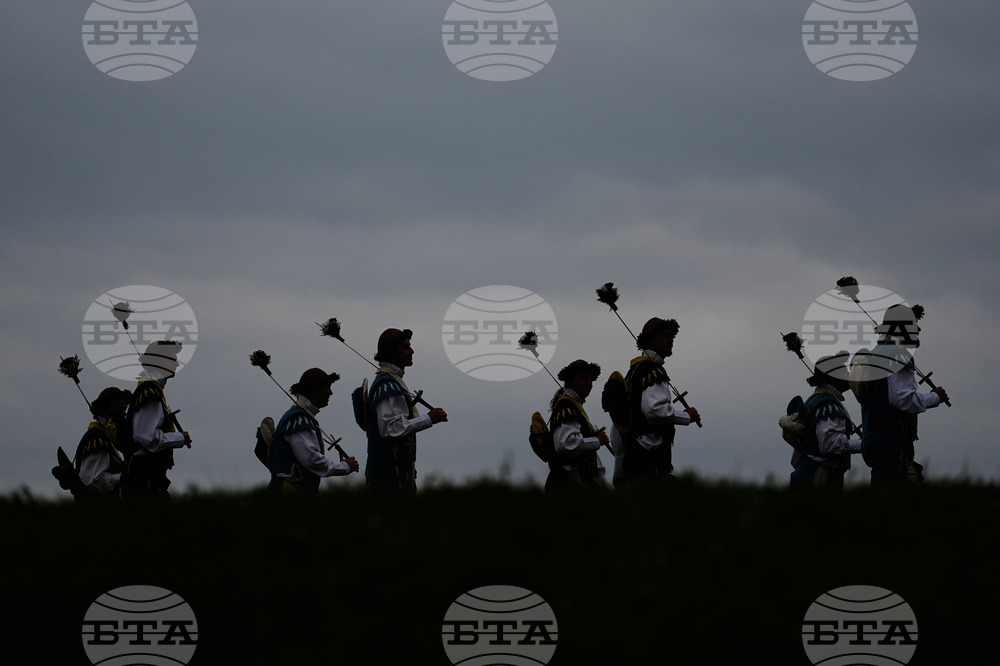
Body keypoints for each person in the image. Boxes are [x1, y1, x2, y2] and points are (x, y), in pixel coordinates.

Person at [851, 304, 949, 486]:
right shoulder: (898, 355)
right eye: (913, 325)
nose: (918, 330)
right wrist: (936, 397)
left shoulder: (875, 355)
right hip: (891, 440)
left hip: (873, 438)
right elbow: (902, 400)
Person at [364, 328, 447, 493]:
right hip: (388, 473)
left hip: (395, 471)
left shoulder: (393, 382)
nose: (412, 351)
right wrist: (428, 419)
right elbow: (390, 429)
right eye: (406, 346)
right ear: (393, 352)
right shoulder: (386, 385)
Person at [618, 317, 700, 484]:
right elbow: (654, 410)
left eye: (672, 336)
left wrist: (618, 469)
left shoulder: (633, 373)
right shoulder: (652, 371)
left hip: (633, 457)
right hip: (649, 460)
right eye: (664, 335)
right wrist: (686, 416)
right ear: (650, 339)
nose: (670, 340)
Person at [269, 368, 360, 493]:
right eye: (327, 387)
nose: (330, 392)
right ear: (314, 389)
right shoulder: (298, 419)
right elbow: (311, 460)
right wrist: (344, 467)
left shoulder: (301, 417)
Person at [121, 340, 191, 498]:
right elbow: (144, 437)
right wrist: (179, 438)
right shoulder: (150, 391)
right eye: (172, 359)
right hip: (143, 479)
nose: (177, 364)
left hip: (147, 477)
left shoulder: (150, 388)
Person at [787, 352, 862, 488]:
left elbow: (796, 458)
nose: (849, 373)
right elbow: (830, 445)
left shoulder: (813, 402)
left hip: (807, 473)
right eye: (844, 370)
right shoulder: (827, 405)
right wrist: (865, 444)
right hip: (819, 476)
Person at [545, 360, 610, 491]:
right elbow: (565, 444)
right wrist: (596, 440)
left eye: (591, 379)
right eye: (584, 379)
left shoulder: (574, 406)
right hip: (567, 486)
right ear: (570, 381)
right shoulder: (566, 407)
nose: (589, 383)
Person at [74, 386, 131, 499]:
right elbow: (93, 481)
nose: (124, 413)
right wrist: (126, 477)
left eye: (126, 409)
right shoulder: (96, 439)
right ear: (106, 408)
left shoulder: (107, 438)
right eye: (121, 408)